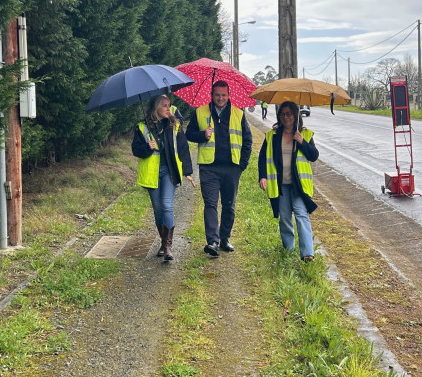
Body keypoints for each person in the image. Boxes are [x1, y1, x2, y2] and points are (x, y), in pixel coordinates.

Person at [185, 80, 252, 257]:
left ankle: (224, 239)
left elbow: (247, 140)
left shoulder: (238, 113)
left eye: (223, 95)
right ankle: (212, 242)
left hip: (232, 168)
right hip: (209, 168)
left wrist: (241, 165)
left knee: (229, 205)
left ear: (228, 95)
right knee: (211, 204)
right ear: (211, 95)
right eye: (217, 95)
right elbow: (189, 134)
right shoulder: (200, 112)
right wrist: (202, 135)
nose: (220, 98)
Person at [132, 95, 195, 261]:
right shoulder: (142, 126)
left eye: (169, 105)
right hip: (152, 173)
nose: (169, 109)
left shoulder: (174, 125)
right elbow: (135, 149)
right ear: (156, 108)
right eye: (165, 106)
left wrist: (187, 171)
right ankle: (162, 241)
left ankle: (168, 246)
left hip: (169, 171)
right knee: (158, 208)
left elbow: (183, 148)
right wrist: (147, 147)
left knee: (167, 205)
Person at [257, 101, 319, 261]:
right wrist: (262, 176)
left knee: (301, 214)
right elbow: (263, 157)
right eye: (282, 114)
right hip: (280, 184)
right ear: (279, 116)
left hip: (298, 186)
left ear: (295, 115)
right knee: (284, 217)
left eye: (289, 113)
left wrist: (301, 142)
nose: (286, 117)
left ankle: (307, 253)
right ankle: (288, 250)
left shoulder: (304, 134)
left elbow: (313, 156)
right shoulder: (272, 135)